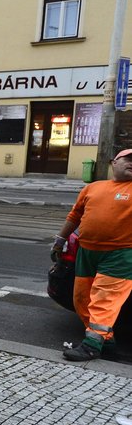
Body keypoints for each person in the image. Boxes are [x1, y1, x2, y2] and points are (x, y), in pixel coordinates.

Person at [54, 147, 132, 361]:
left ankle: (91, 345)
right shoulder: (93, 188)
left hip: (121, 255)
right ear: (113, 163)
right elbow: (75, 215)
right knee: (81, 298)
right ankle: (105, 339)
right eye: (127, 159)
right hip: (86, 251)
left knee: (104, 299)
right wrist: (60, 240)